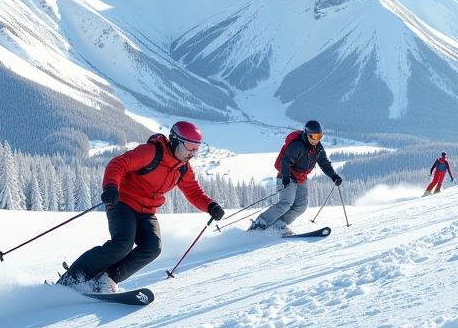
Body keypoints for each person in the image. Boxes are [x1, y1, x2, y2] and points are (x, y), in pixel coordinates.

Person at [58, 121, 225, 293]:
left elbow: (193, 191)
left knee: (153, 247)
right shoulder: (151, 152)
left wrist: (210, 206)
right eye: (189, 146)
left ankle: (108, 278)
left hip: (147, 211)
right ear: (175, 140)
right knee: (123, 243)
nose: (192, 153)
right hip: (123, 202)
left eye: (196, 148)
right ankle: (73, 278)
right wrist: (110, 187)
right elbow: (118, 164)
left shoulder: (182, 168)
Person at [249, 120, 342, 233]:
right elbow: (285, 161)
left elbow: (324, 163)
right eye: (315, 136)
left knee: (301, 205)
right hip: (288, 177)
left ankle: (278, 225)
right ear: (307, 134)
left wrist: (333, 176)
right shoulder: (297, 145)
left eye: (320, 136)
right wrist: (286, 176)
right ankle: (260, 224)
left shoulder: (317, 147)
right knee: (286, 203)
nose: (317, 139)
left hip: (301, 179)